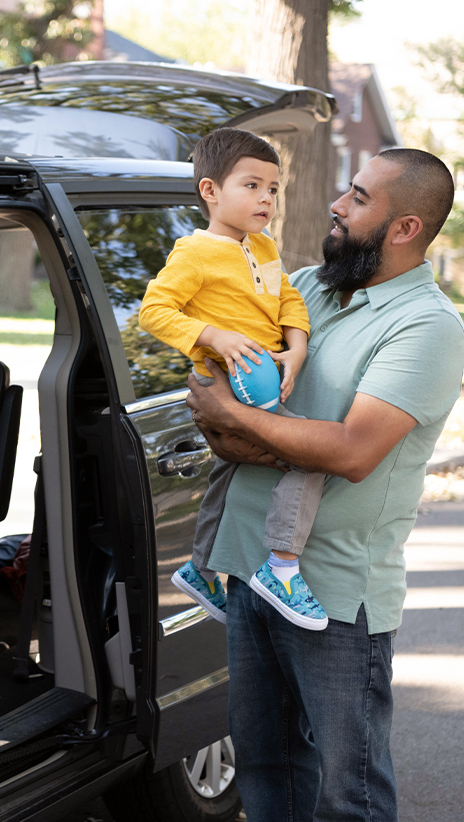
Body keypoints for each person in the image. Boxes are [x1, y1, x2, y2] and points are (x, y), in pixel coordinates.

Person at [186, 148, 464, 822]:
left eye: (358, 196)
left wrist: (239, 421)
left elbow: (351, 451)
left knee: (351, 795)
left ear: (403, 228)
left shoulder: (425, 327)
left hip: (337, 597)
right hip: (252, 571)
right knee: (268, 773)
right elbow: (207, 395)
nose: (337, 205)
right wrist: (256, 430)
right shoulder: (304, 289)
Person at [139, 127, 328, 630]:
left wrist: (298, 346)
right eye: (252, 185)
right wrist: (213, 336)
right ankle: (282, 566)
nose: (266, 197)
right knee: (311, 458)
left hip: (267, 370)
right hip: (237, 381)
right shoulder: (194, 254)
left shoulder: (263, 247)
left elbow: (286, 296)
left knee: (231, 468)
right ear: (210, 191)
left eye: (273, 188)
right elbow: (154, 311)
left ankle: (201, 570)